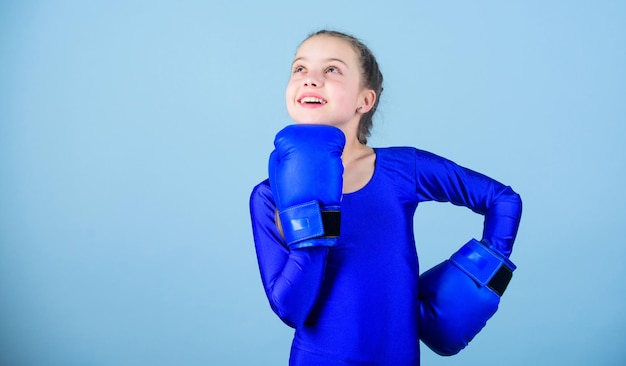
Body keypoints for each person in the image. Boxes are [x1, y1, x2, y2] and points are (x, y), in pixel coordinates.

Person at [249, 29, 522, 366]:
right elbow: (291, 309)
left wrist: (476, 278)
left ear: (365, 100)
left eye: (331, 70)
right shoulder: (268, 196)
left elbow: (502, 199)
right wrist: (312, 227)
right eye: (300, 69)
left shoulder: (403, 169)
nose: (310, 80)